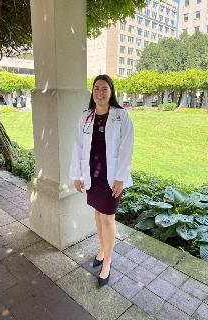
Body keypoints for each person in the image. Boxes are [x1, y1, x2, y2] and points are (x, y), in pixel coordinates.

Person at [70, 74, 134, 287]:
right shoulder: (86, 117)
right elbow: (78, 147)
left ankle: (107, 262)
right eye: (96, 88)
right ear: (93, 92)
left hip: (112, 176)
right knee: (98, 215)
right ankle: (102, 249)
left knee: (108, 218)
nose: (99, 92)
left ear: (111, 91)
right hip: (93, 175)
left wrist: (120, 178)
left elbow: (127, 147)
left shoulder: (121, 115)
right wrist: (77, 175)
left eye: (104, 88)